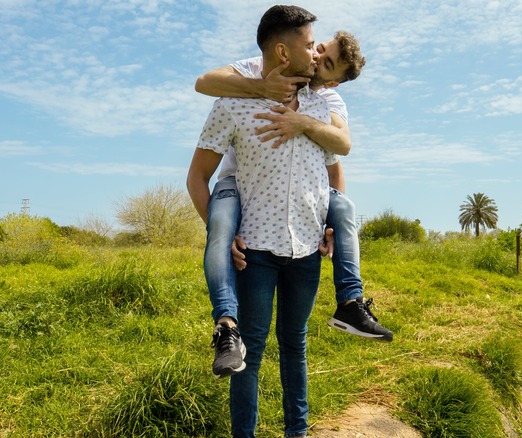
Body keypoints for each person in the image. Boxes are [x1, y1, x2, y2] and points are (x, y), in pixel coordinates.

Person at [194, 24, 393, 378]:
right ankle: (225, 325)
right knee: (221, 226)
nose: (316, 57)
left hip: (297, 231)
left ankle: (350, 302)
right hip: (238, 185)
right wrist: (261, 87)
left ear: (332, 82)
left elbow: (339, 150)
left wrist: (300, 123)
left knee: (344, 208)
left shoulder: (325, 103)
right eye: (319, 48)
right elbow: (204, 83)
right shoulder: (257, 69)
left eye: (327, 61)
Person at [187, 5, 333, 436]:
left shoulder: (320, 104)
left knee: (296, 345)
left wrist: (329, 220)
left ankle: (297, 433)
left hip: (306, 247)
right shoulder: (232, 105)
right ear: (284, 53)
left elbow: (332, 164)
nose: (317, 52)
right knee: (247, 352)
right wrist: (219, 230)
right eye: (310, 46)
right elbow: (197, 176)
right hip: (256, 250)